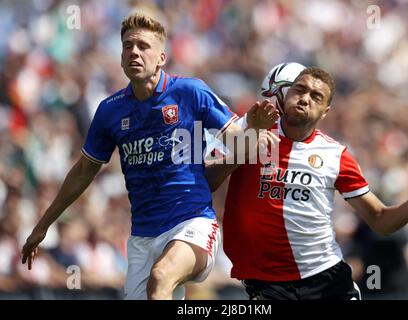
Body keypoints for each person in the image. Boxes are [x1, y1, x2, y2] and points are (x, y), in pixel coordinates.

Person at [21, 12, 278, 300]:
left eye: (143, 46)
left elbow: (237, 140)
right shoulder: (110, 111)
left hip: (192, 222)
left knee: (161, 277)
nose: (134, 52)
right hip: (142, 237)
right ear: (120, 58)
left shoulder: (190, 92)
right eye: (128, 46)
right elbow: (83, 171)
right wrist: (43, 225)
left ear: (161, 58)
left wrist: (253, 129)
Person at [206, 66, 408, 300]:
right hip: (267, 283)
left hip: (326, 279)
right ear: (286, 94)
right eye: (300, 90)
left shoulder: (336, 155)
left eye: (315, 97)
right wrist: (245, 149)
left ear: (325, 112)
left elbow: (379, 219)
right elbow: (206, 180)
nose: (305, 99)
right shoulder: (250, 130)